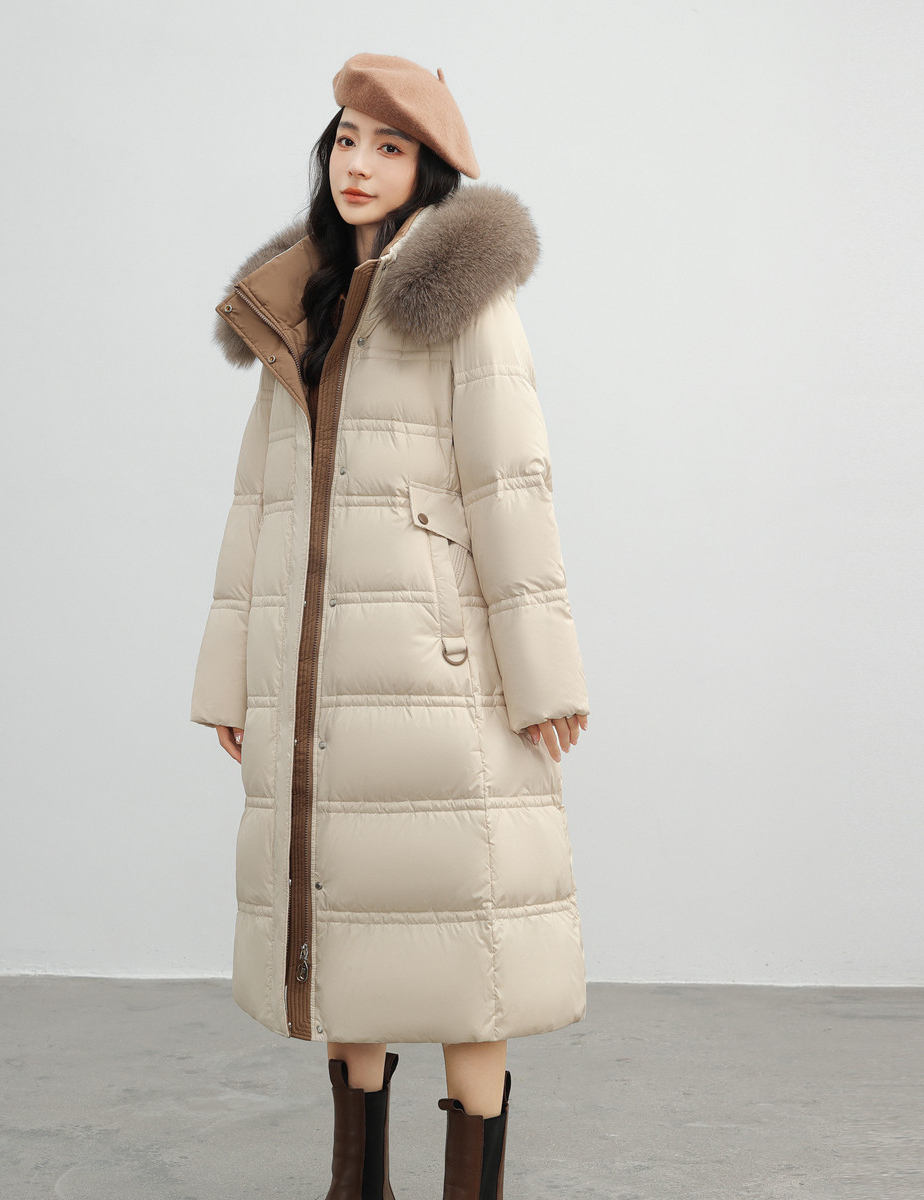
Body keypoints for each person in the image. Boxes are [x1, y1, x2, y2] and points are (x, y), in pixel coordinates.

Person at [191, 51, 591, 1200]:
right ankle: (355, 1183)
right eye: (347, 140)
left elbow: (510, 490)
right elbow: (259, 503)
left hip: (437, 675)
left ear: (431, 169)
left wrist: (544, 678)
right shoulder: (300, 307)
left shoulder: (467, 304)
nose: (359, 164)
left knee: (473, 950)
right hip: (316, 677)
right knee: (338, 932)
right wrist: (232, 678)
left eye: (390, 146)